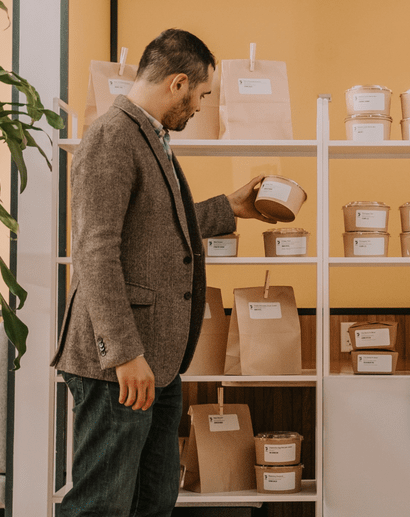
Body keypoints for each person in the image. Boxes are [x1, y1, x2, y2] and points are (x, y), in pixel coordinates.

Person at [51, 29, 273, 516]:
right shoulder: (112, 135)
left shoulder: (149, 135)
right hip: (123, 366)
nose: (199, 106)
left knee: (153, 501)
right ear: (178, 83)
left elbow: (157, 226)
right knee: (100, 505)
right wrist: (125, 353)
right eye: (201, 94)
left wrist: (229, 207)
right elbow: (95, 251)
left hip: (159, 364)